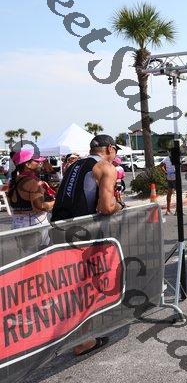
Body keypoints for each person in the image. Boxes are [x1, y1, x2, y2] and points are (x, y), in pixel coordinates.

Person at [51, 134, 125, 356]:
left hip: (58, 231)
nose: (115, 155)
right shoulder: (105, 167)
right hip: (82, 235)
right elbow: (106, 207)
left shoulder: (73, 165)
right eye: (115, 151)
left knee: (71, 285)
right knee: (83, 287)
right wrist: (120, 205)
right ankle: (81, 340)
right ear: (110, 149)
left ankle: (76, 335)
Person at [8, 149, 55, 230]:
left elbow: (12, 203)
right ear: (27, 164)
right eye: (37, 161)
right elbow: (39, 206)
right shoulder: (33, 182)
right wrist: (56, 202)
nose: (40, 163)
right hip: (34, 224)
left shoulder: (13, 180)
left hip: (17, 223)